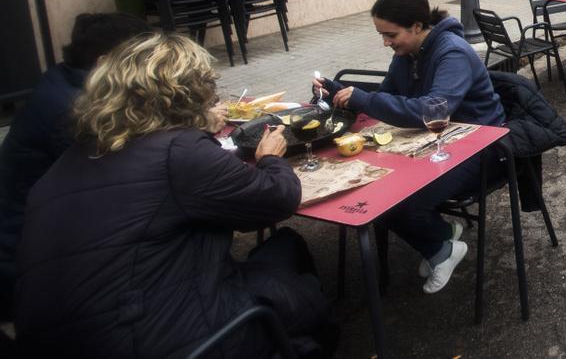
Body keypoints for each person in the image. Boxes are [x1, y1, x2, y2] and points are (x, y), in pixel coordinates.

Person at [14, 34, 334, 357]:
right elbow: (279, 198)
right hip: (158, 337)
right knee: (309, 300)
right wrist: (271, 159)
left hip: (55, 338)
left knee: (284, 247)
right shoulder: (178, 150)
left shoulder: (73, 156)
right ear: (188, 92)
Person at [316, 0, 504, 293]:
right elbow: (387, 95)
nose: (386, 42)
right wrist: (336, 91)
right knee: (375, 193)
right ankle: (442, 238)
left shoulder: (452, 52)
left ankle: (441, 248)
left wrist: (364, 100)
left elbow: (431, 110)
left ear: (417, 27)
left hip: (481, 147)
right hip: (439, 142)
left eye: (391, 35)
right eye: (382, 35)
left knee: (399, 203)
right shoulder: (408, 52)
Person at [0, 12, 151, 319]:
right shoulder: (73, 112)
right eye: (143, 61)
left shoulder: (67, 82)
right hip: (28, 268)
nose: (152, 71)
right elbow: (128, 179)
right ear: (105, 63)